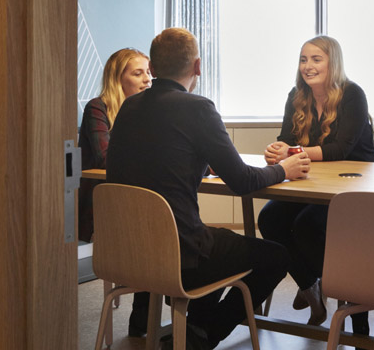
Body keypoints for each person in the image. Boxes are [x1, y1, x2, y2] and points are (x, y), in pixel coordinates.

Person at [107, 27, 311, 350]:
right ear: (198, 67)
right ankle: (202, 335)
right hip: (180, 258)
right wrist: (282, 170)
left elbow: (158, 159)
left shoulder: (128, 109)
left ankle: (194, 329)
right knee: (276, 256)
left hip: (128, 253)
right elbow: (243, 181)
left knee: (217, 242)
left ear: (153, 68)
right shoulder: (198, 108)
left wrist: (202, 161)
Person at [258, 35, 374, 333]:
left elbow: (341, 149)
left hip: (356, 186)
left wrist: (293, 152)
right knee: (269, 219)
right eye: (303, 60)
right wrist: (277, 150)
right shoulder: (296, 95)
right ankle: (310, 284)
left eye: (316, 59)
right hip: (314, 184)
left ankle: (355, 309)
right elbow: (286, 139)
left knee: (309, 225)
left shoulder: (352, 94)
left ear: (332, 63)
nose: (307, 66)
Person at [77, 47, 152, 335]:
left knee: (166, 227)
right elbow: (106, 158)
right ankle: (148, 316)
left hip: (138, 199)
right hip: (105, 206)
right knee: (159, 234)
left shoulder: (150, 108)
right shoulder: (98, 108)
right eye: (138, 73)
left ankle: (154, 316)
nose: (147, 79)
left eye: (148, 72)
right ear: (117, 78)